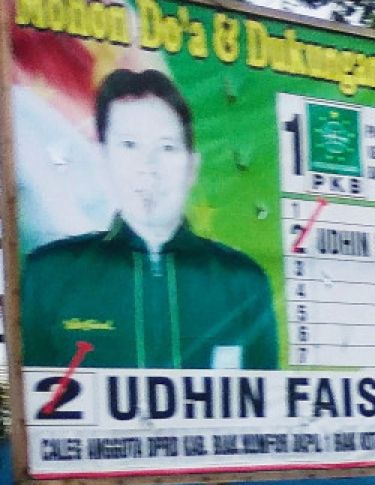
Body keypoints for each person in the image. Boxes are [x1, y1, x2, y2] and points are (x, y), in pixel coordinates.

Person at [21, 68, 278, 370]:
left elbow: (265, 403)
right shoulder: (50, 275)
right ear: (103, 158)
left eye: (167, 147)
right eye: (129, 145)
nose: (148, 167)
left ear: (192, 166)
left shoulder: (242, 283)